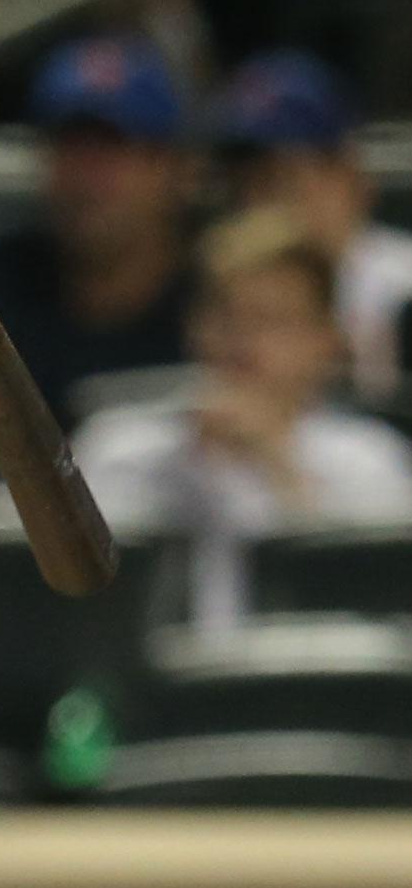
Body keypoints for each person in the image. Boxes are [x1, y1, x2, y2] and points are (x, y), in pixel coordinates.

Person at [74, 208, 412, 629]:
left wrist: (281, 470)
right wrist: (187, 461)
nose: (244, 342)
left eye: (271, 321)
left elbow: (370, 620)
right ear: (194, 327)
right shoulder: (119, 448)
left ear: (326, 339)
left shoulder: (372, 461)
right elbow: (87, 607)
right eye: (227, 317)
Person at [0, 36, 194, 425]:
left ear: (168, 168)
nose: (84, 180)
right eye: (69, 149)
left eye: (108, 153)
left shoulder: (214, 298)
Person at [215, 49, 412, 402]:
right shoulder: (214, 294)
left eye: (284, 179)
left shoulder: (404, 284)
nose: (263, 205)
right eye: (246, 182)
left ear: (349, 176)